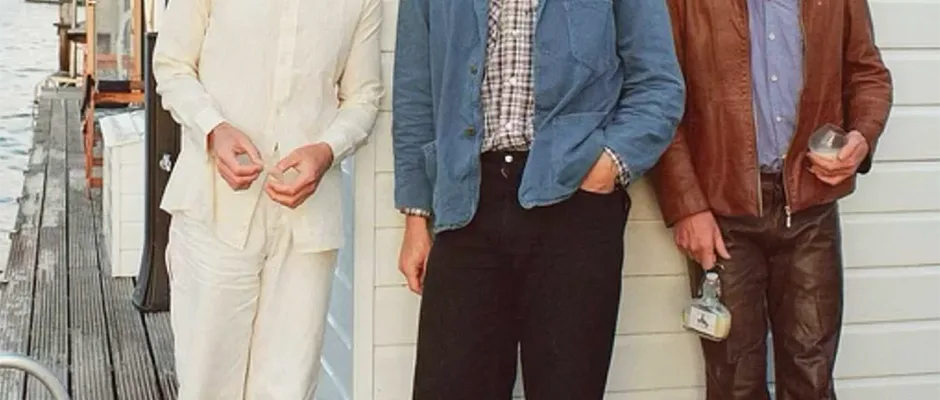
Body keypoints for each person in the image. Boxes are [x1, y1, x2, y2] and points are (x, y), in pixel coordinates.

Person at [392, 0, 685, 398]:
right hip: (466, 204)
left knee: (568, 386)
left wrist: (608, 165)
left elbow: (658, 85)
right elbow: (414, 92)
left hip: (575, 204)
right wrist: (416, 216)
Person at [651, 0, 892, 398]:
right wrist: (687, 206)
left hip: (811, 209)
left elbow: (867, 73)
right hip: (723, 215)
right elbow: (658, 97)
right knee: (734, 384)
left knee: (812, 379)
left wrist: (862, 137)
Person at [151, 0, 383, 397]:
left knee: (288, 388)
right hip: (214, 209)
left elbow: (364, 97)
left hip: (307, 224)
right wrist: (213, 129)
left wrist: (327, 150)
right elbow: (172, 66)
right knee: (208, 384)